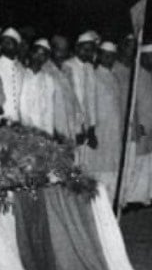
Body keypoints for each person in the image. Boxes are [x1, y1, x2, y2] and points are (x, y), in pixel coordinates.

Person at [125, 44, 152, 206]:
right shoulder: (135, 75)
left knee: (151, 160)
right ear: (143, 57)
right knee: (138, 161)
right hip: (142, 124)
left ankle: (146, 196)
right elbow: (133, 103)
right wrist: (136, 123)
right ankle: (133, 198)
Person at [89, 41, 123, 202]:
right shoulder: (94, 76)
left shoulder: (114, 77)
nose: (109, 59)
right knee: (100, 169)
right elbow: (89, 106)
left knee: (114, 168)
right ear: (99, 55)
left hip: (114, 130)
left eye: (112, 56)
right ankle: (99, 204)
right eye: (106, 55)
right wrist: (91, 131)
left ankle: (111, 205)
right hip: (100, 130)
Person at [64, 31, 99, 162]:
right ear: (77, 48)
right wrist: (77, 129)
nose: (88, 53)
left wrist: (91, 128)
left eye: (91, 50)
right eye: (85, 49)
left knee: (84, 163)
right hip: (72, 124)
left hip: (86, 125)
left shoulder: (90, 67)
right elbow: (69, 100)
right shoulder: (67, 66)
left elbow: (91, 98)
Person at [45, 35, 84, 142]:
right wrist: (52, 130)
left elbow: (73, 98)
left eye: (65, 50)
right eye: (59, 50)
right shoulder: (45, 70)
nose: (62, 54)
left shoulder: (68, 70)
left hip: (70, 126)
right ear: (51, 50)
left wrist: (79, 128)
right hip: (53, 129)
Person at [18, 38, 54, 135]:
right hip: (22, 128)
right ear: (30, 53)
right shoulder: (21, 74)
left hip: (41, 128)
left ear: (46, 59)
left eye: (43, 55)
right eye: (36, 53)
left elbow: (49, 110)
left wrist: (49, 134)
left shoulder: (48, 79)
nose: (38, 57)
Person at [0, 27, 23, 122]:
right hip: (1, 121)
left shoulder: (22, 69)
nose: (6, 45)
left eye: (10, 42)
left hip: (20, 120)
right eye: (4, 42)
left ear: (17, 45)